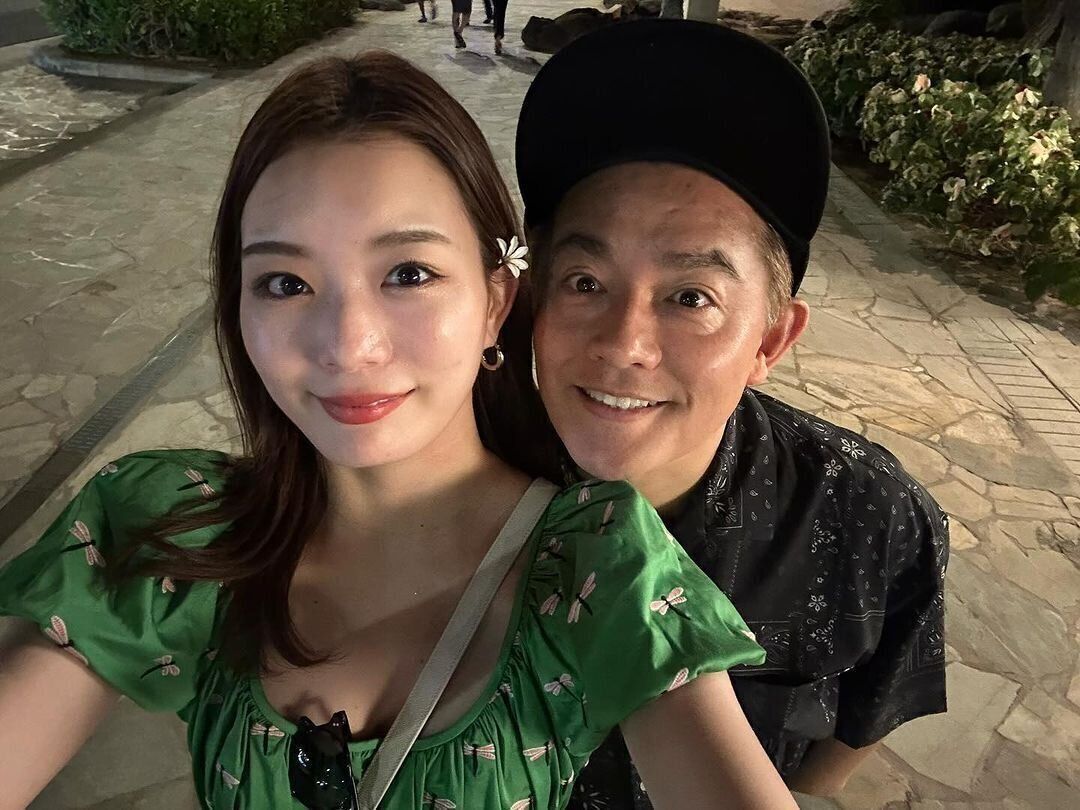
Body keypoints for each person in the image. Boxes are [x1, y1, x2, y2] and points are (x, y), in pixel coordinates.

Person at [0, 51, 799, 810]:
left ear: (495, 301)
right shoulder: (174, 531)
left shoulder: (598, 573)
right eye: (285, 283)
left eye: (408, 274)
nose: (348, 345)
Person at [515, 20, 950, 806]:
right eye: (585, 282)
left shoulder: (865, 513)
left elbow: (869, 711)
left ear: (770, 340)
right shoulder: (450, 478)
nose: (624, 345)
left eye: (691, 298)